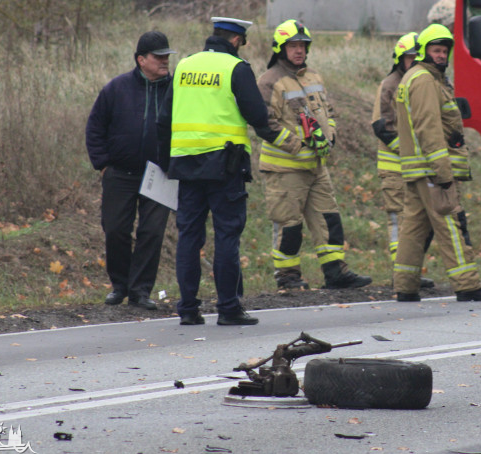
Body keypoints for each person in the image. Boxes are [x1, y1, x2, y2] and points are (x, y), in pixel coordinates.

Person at [157, 17, 278, 326]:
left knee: (189, 237)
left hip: (185, 165)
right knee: (226, 236)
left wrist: (165, 162)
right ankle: (228, 308)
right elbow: (257, 116)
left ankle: (187, 310)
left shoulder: (183, 66)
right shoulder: (236, 69)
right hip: (225, 166)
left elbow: (163, 119)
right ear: (237, 41)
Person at [257, 19, 372, 290]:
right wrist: (297, 145)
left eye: (302, 45)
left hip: (317, 165)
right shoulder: (268, 81)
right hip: (286, 168)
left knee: (328, 218)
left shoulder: (314, 77)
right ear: (280, 48)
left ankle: (335, 272)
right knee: (289, 225)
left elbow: (328, 112)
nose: (299, 50)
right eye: (293, 45)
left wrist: (330, 135)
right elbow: (265, 124)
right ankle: (287, 277)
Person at [393, 24, 481, 303]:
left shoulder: (417, 77)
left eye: (444, 51)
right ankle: (467, 285)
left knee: (413, 228)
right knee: (450, 223)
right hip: (431, 170)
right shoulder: (425, 80)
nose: (441, 55)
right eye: (435, 50)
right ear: (424, 52)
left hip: (417, 169)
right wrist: (443, 172)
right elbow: (428, 128)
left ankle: (405, 285)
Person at [86, 30, 175, 310]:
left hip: (161, 174)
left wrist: (178, 166)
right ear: (141, 59)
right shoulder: (116, 88)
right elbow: (95, 127)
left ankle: (140, 291)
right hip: (120, 174)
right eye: (158, 57)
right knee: (115, 230)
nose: (164, 62)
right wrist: (102, 164)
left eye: (167, 57)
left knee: (151, 233)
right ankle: (120, 286)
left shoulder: (177, 91)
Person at [371, 32, 435, 289]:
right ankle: (403, 275)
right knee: (400, 222)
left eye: (417, 57)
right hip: (395, 168)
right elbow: (381, 126)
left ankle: (411, 271)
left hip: (418, 167)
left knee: (421, 221)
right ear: (400, 59)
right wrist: (407, 151)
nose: (414, 62)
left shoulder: (422, 83)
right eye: (410, 58)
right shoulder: (390, 84)